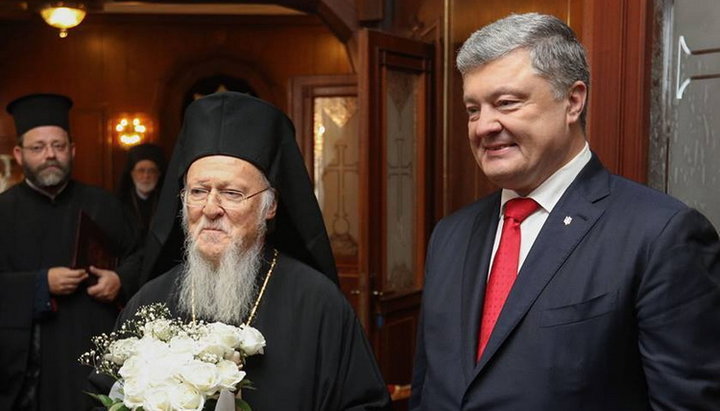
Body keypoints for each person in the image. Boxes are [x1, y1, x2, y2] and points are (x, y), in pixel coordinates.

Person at [411, 13, 720, 410]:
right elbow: (428, 387)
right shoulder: (450, 235)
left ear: (572, 101)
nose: (483, 126)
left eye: (506, 103)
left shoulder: (660, 235)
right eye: (473, 109)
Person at [101, 92, 391, 410]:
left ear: (271, 205)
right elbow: (106, 400)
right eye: (198, 191)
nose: (210, 208)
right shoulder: (150, 301)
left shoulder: (319, 304)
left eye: (231, 193)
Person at [0, 93, 139, 410]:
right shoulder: (3, 211)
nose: (50, 155)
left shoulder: (103, 203)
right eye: (38, 147)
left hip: (97, 348)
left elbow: (143, 256)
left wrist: (120, 278)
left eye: (58, 146)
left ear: (72, 150)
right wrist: (39, 283)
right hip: (29, 363)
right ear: (19, 154)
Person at [116, 143, 166, 243]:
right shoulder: (120, 203)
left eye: (151, 171)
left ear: (159, 174)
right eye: (141, 170)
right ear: (132, 174)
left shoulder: (166, 203)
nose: (146, 176)